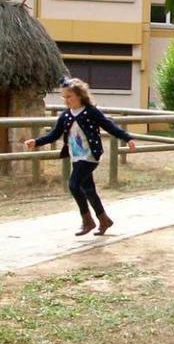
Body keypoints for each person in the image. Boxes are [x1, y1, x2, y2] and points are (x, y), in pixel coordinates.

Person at [25, 78, 136, 236]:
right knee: (88, 189)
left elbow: (109, 126)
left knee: (73, 184)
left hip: (90, 156)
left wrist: (127, 138)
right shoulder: (65, 116)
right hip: (76, 157)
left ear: (80, 95)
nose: (66, 100)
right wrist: (36, 141)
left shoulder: (90, 111)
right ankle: (104, 220)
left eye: (69, 97)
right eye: (64, 97)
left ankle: (87, 221)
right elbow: (54, 134)